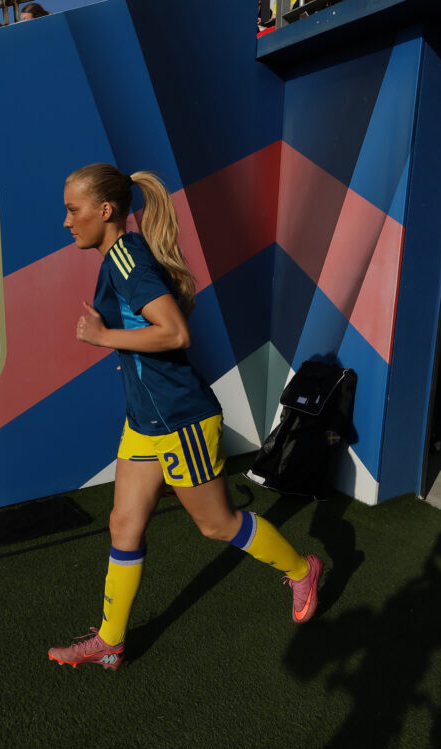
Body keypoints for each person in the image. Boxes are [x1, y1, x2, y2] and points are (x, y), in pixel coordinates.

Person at [48, 164, 323, 669]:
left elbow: (175, 332)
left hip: (181, 421)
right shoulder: (118, 258)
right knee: (123, 524)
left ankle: (303, 570)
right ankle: (110, 640)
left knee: (218, 526)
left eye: (72, 210)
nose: (66, 221)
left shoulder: (128, 260)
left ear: (104, 211)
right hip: (144, 421)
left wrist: (104, 336)